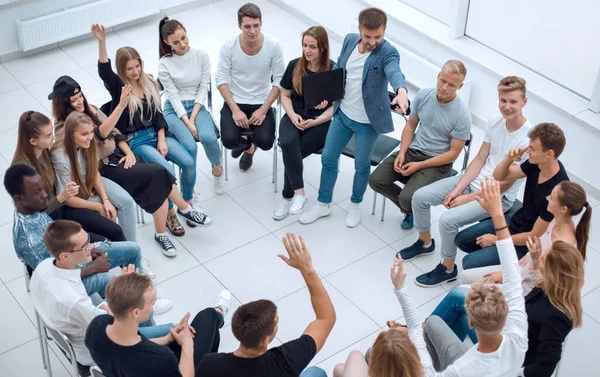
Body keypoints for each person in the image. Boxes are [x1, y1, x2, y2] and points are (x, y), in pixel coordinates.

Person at [50, 75, 209, 256]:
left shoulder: (92, 108)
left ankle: (162, 232)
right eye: (73, 99)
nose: (79, 102)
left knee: (158, 181)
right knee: (158, 173)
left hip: (122, 155)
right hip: (106, 166)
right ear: (63, 103)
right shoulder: (65, 128)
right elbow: (99, 135)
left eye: (80, 96)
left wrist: (129, 152)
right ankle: (184, 209)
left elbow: (115, 133)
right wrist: (120, 107)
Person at [398, 76, 532, 287]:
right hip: (474, 181)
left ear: (524, 102)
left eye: (513, 102)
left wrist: (467, 197)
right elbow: (480, 159)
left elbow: (505, 184)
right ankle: (425, 243)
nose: (507, 106)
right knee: (420, 198)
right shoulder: (494, 121)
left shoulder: (528, 138)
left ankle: (448, 268)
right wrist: (459, 188)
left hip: (497, 196)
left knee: (447, 220)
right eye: (503, 100)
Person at [92, 24, 211, 235]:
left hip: (156, 134)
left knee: (189, 161)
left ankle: (187, 202)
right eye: (129, 69)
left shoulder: (149, 81)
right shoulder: (119, 86)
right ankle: (171, 215)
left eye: (137, 66)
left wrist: (162, 138)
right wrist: (102, 42)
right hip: (136, 140)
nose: (135, 72)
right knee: (166, 170)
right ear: (122, 70)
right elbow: (104, 71)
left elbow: (157, 115)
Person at [299, 7, 409, 228]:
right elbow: (340, 68)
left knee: (361, 166)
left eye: (378, 36)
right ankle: (323, 203)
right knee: (328, 158)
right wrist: (327, 96)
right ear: (359, 29)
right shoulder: (350, 41)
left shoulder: (388, 52)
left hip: (367, 123)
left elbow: (395, 71)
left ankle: (355, 204)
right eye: (367, 36)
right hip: (342, 115)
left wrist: (402, 91)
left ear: (384, 31)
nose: (372, 41)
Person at [4, 165, 173, 306]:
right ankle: (141, 306)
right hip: (69, 284)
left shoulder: (33, 210)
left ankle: (142, 298)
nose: (45, 195)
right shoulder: (29, 239)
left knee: (133, 249)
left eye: (43, 188)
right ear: (19, 198)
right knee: (115, 282)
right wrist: (92, 268)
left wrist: (87, 251)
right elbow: (56, 280)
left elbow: (60, 249)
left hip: (74, 260)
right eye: (37, 192)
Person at [29, 220, 174, 372]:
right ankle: (152, 351)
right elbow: (114, 324)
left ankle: (147, 320)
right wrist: (129, 293)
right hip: (98, 347)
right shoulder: (73, 300)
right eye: (84, 247)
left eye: (88, 241)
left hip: (79, 322)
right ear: (65, 256)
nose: (90, 248)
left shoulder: (44, 266)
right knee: (172, 329)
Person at [196, 233, 335, 377]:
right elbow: (326, 319)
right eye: (275, 322)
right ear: (265, 340)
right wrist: (307, 270)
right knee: (317, 372)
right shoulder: (284, 361)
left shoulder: (210, 363)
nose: (277, 320)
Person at [369, 61, 471, 231]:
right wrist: (402, 152)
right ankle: (412, 209)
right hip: (413, 151)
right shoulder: (424, 95)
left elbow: (453, 154)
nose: (444, 87)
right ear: (438, 76)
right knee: (375, 181)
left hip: (438, 162)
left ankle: (410, 209)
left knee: (406, 198)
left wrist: (420, 165)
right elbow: (410, 126)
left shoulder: (462, 115)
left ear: (459, 86)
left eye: (451, 85)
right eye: (442, 80)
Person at [454, 122, 570, 270]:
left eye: (532, 149)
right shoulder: (536, 163)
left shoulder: (556, 192)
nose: (528, 151)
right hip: (515, 222)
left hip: (526, 244)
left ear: (549, 154)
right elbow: (499, 176)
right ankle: (495, 261)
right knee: (462, 240)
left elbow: (534, 236)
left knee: (469, 263)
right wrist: (509, 158)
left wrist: (497, 240)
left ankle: (503, 265)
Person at [85, 273, 232, 377]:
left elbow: (128, 348)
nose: (153, 306)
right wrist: (187, 345)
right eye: (152, 302)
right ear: (136, 313)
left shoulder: (97, 327)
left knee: (210, 330)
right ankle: (217, 314)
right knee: (208, 317)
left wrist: (166, 339)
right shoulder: (160, 358)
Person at [12, 110, 126, 242]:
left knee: (114, 231)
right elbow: (36, 213)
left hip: (62, 209)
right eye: (49, 136)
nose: (53, 139)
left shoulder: (43, 152)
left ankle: (130, 261)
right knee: (101, 241)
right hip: (48, 222)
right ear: (33, 141)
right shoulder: (23, 172)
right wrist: (62, 196)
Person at [460, 180, 590, 286]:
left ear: (563, 209)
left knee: (468, 284)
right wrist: (506, 271)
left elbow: (539, 281)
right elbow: (528, 257)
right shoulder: (555, 222)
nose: (547, 197)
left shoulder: (562, 246)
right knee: (466, 276)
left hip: (525, 286)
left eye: (552, 197)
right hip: (519, 271)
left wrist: (506, 276)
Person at [215, 2, 285, 171]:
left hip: (261, 101)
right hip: (235, 101)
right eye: (247, 27)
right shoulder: (228, 45)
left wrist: (263, 109)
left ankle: (250, 146)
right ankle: (248, 147)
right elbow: (221, 79)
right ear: (239, 26)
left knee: (267, 142)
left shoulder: (273, 45)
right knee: (229, 141)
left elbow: (279, 80)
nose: (252, 31)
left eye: (256, 26)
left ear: (261, 23)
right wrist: (235, 110)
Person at [273, 26, 334, 220]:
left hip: (320, 122)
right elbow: (284, 95)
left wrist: (317, 120)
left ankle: (286, 196)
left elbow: (336, 106)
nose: (307, 50)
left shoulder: (332, 69)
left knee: (293, 151)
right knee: (288, 143)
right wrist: (292, 116)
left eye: (312, 47)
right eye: (304, 45)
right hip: (294, 115)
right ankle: (299, 194)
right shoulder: (294, 65)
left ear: (322, 48)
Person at [158, 16, 225, 194]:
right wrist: (187, 122)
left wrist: (193, 117)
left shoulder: (201, 55)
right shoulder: (164, 64)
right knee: (190, 146)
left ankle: (217, 169)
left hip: (196, 104)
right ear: (167, 42)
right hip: (174, 109)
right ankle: (190, 189)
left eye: (184, 37)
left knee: (209, 138)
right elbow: (172, 95)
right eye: (176, 42)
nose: (182, 44)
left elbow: (204, 87)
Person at [51, 110, 138, 242]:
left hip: (90, 181)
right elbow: (67, 198)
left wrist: (106, 199)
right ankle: (122, 251)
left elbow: (93, 171)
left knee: (127, 202)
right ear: (71, 134)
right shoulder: (60, 155)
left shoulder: (88, 144)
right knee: (106, 213)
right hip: (76, 193)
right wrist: (100, 206)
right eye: (84, 134)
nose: (90, 137)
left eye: (91, 132)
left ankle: (132, 249)